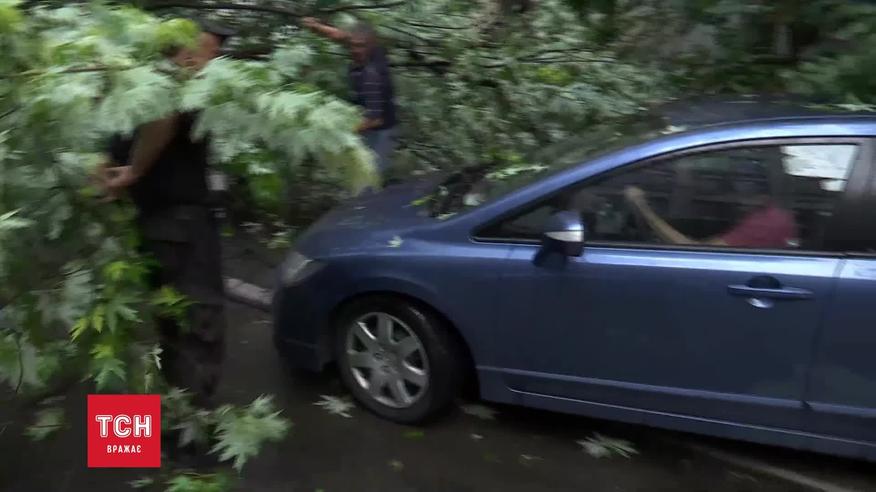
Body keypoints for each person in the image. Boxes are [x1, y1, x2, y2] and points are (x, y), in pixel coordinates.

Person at [101, 23, 233, 408]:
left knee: (161, 324)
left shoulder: (134, 91)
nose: (211, 61)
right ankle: (188, 429)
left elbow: (107, 154)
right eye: (208, 51)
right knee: (198, 325)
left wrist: (111, 184)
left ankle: (147, 428)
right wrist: (134, 172)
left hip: (146, 224)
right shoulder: (175, 91)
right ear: (184, 52)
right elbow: (164, 118)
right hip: (182, 227)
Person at [301, 17, 398, 179]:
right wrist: (317, 27)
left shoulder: (371, 76)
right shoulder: (370, 49)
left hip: (379, 131)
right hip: (365, 118)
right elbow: (342, 36)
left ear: (370, 45)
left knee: (370, 176)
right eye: (353, 45)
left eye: (360, 46)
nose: (355, 50)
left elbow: (375, 120)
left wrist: (338, 133)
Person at [623, 183, 799, 249]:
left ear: (763, 197)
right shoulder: (774, 213)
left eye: (743, 194)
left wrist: (642, 206)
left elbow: (693, 251)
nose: (736, 199)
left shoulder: (763, 224)